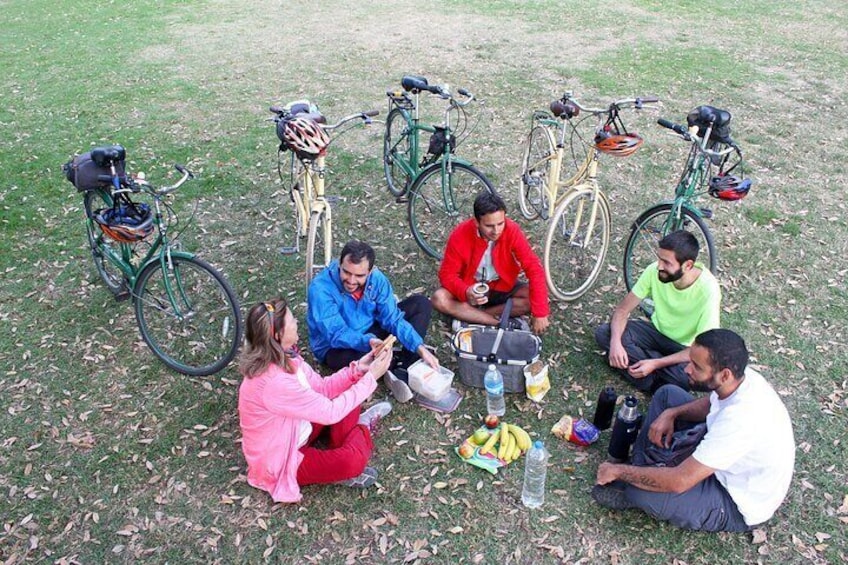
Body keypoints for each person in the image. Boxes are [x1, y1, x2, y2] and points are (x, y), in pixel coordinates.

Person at [592, 329, 795, 532]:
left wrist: (619, 471)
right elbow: (710, 403)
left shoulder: (741, 420)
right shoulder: (741, 378)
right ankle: (646, 468)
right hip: (719, 456)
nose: (687, 369)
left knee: (642, 492)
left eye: (696, 367)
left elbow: (680, 481)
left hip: (732, 499)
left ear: (725, 375)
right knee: (667, 395)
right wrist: (672, 413)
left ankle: (638, 480)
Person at [237, 298, 394, 503]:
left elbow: (323, 388)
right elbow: (330, 412)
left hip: (295, 427)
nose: (296, 323)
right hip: (283, 457)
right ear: (278, 335)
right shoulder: (274, 382)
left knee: (346, 392)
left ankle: (346, 438)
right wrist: (371, 377)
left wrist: (360, 369)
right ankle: (361, 426)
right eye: (292, 320)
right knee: (352, 462)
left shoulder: (286, 355)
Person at [307, 240, 440, 403]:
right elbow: (336, 333)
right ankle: (390, 364)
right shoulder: (321, 288)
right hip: (337, 346)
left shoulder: (377, 280)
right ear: (339, 265)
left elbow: (392, 317)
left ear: (370, 271)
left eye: (359, 275)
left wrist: (419, 347)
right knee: (343, 360)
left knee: (420, 303)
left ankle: (404, 366)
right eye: (346, 272)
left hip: (371, 330)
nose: (351, 280)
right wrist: (368, 341)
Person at [595, 230, 720, 392]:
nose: (660, 266)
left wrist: (655, 363)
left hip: (684, 348)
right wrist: (615, 344)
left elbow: (703, 348)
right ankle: (654, 380)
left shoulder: (708, 290)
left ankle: (644, 372)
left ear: (687, 265)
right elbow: (622, 311)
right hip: (655, 332)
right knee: (605, 333)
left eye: (667, 263)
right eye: (659, 258)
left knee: (688, 378)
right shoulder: (654, 270)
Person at [431, 192, 550, 334]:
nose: (496, 231)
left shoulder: (512, 230)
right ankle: (497, 323)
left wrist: (541, 313)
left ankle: (471, 317)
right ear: (476, 222)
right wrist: (466, 291)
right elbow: (447, 274)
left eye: (500, 223)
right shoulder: (460, 235)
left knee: (535, 299)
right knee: (439, 298)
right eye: (489, 226)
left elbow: (533, 267)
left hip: (502, 285)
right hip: (471, 286)